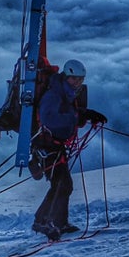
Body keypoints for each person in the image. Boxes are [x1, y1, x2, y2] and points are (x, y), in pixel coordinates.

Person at [32, 58, 104, 240]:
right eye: (74, 78)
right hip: (46, 146)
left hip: (55, 145)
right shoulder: (54, 95)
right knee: (62, 184)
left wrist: (84, 115)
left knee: (63, 184)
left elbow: (69, 115)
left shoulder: (66, 93)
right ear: (66, 76)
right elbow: (49, 119)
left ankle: (58, 222)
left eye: (80, 79)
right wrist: (76, 117)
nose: (78, 82)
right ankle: (43, 222)